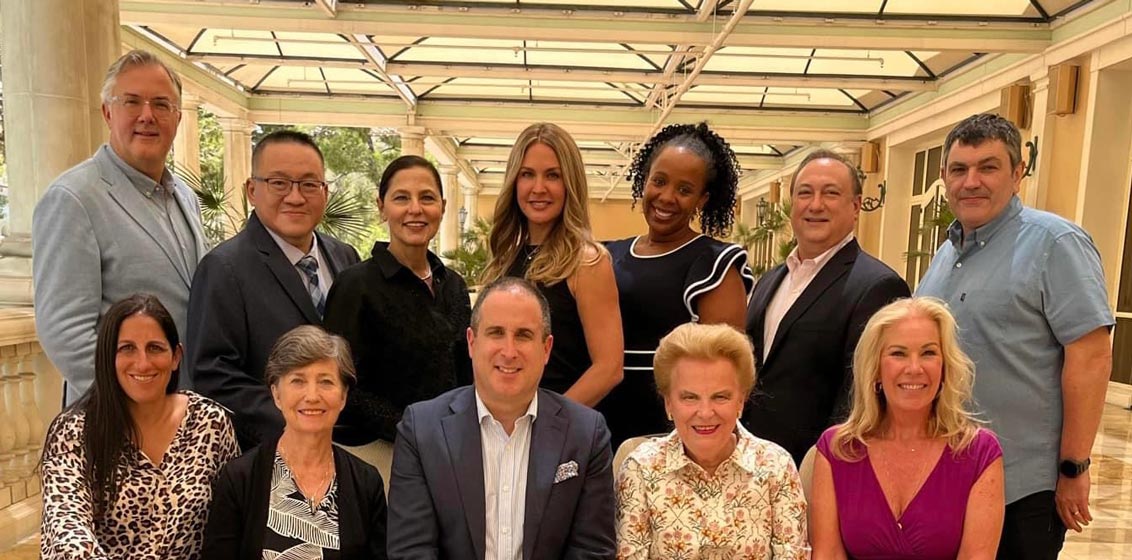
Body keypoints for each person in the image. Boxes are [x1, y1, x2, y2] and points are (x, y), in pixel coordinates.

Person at [915, 113, 1113, 559]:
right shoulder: (945, 255)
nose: (971, 182)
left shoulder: (1055, 244)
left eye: (988, 167)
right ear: (944, 177)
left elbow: (1091, 358)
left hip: (1022, 488)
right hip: (946, 479)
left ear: (1018, 173)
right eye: (959, 169)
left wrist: (1074, 467)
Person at [387, 277, 616, 559]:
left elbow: (592, 551)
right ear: (472, 342)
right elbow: (411, 551)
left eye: (523, 335)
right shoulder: (421, 431)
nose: (509, 352)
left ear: (546, 349)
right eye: (496, 333)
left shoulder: (586, 434)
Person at [33, 50, 207, 404]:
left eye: (161, 104)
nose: (147, 115)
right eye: (132, 101)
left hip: (184, 411)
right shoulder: (74, 198)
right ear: (107, 112)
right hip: (117, 418)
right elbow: (65, 331)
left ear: (177, 118)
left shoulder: (185, 197)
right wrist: (136, 410)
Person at [188, 129, 360, 450]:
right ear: (252, 190)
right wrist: (301, 420)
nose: (295, 197)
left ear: (324, 192)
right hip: (268, 454)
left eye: (308, 184)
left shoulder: (344, 256)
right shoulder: (224, 268)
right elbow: (214, 377)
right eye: (279, 183)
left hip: (346, 449)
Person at [40, 294, 238, 560]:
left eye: (155, 348)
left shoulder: (210, 423)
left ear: (176, 356)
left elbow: (232, 524)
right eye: (127, 349)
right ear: (107, 358)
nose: (143, 363)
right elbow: (66, 529)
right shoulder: (72, 433)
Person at [744, 149, 910, 464]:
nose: (815, 204)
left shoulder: (878, 287)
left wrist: (827, 466)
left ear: (856, 206)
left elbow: (860, 397)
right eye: (805, 193)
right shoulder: (769, 281)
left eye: (831, 193)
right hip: (755, 466)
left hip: (820, 466)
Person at [811, 297, 1005, 559]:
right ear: (875, 368)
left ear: (945, 366)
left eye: (928, 353)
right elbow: (828, 554)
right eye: (898, 353)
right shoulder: (837, 450)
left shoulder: (980, 453)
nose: (914, 368)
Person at [601, 121, 755, 448]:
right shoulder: (607, 255)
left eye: (684, 190)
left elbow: (724, 369)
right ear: (644, 179)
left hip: (671, 430)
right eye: (659, 181)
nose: (667, 197)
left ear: (703, 199)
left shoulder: (714, 264)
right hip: (599, 418)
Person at [323, 155, 472, 475]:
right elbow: (339, 381)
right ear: (382, 207)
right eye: (401, 198)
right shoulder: (355, 286)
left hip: (448, 453)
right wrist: (414, 429)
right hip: (376, 457)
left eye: (427, 198)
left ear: (443, 207)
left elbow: (465, 374)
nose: (415, 209)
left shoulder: (454, 286)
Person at [616, 322, 808, 559]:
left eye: (720, 397)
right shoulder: (640, 469)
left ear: (741, 401)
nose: (705, 413)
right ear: (668, 403)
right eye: (690, 397)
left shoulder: (776, 466)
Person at [202, 325, 387, 559]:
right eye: (298, 381)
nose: (312, 396)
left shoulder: (366, 482)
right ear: (276, 394)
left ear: (343, 396)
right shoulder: (240, 478)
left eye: (326, 382)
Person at [481, 122, 623, 406]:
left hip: (563, 424)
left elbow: (609, 368)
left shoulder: (587, 262)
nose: (538, 188)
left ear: (570, 183)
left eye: (553, 175)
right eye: (527, 174)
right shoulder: (505, 258)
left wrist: (548, 422)